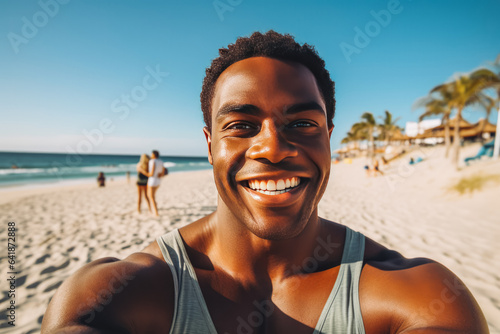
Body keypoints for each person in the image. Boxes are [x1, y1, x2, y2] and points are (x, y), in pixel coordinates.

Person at [42, 31, 488, 333]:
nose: (273, 148)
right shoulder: (117, 297)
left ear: (329, 137)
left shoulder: (416, 295)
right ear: (209, 143)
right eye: (241, 125)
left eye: (302, 123)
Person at [146, 150, 164, 217]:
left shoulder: (152, 161)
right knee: (152, 196)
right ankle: (154, 209)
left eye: (151, 154)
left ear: (154, 155)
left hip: (152, 181)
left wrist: (142, 171)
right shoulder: (161, 161)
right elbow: (162, 172)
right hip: (158, 181)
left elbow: (151, 173)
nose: (150, 155)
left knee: (151, 196)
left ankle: (156, 212)